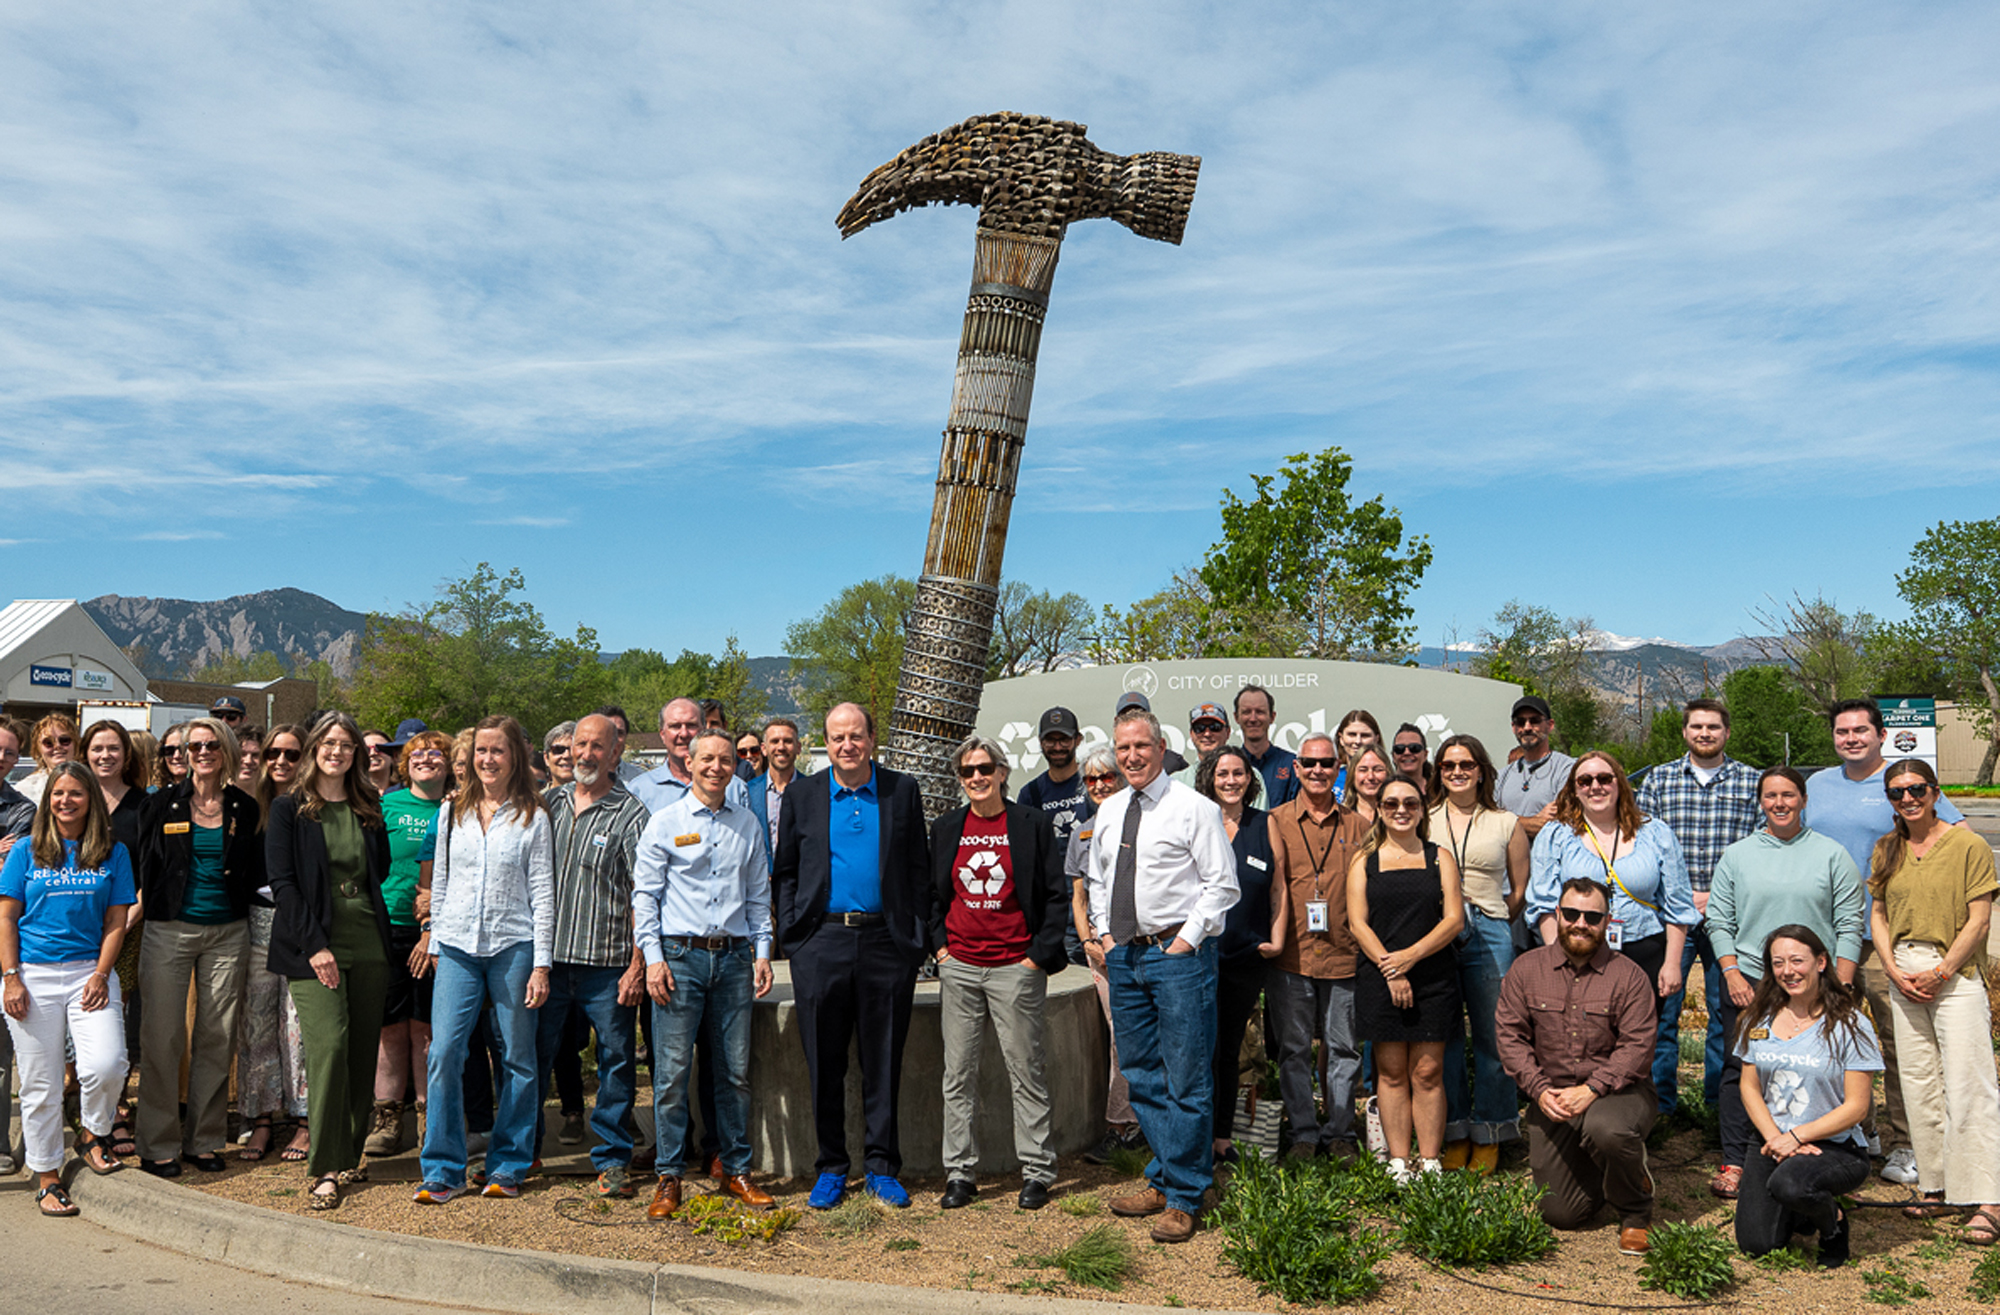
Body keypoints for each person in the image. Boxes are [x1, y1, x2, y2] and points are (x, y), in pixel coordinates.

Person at [1087, 707, 1237, 1244]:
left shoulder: (1194, 808)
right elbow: (1099, 880)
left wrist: (1186, 940)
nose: (1131, 757)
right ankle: (1167, 1175)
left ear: (1161, 748)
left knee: (1187, 1079)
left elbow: (1222, 884)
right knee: (1142, 1074)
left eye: (1141, 746)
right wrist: (1106, 934)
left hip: (1178, 958)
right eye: (1123, 748)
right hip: (1125, 956)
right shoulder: (1110, 810)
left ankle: (1184, 1196)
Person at [772, 702, 931, 1209]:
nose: (847, 745)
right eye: (837, 737)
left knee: (883, 1059)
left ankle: (882, 1167)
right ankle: (832, 1167)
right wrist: (794, 936)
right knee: (825, 1061)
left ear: (871, 738)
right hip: (821, 943)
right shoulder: (803, 795)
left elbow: (918, 869)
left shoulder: (901, 791)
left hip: (886, 943)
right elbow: (786, 871)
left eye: (856, 735)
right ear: (825, 742)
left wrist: (915, 937)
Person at [1807, 697, 1969, 1187]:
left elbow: (1955, 836)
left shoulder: (1903, 783)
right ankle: (1860, 1128)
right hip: (1827, 936)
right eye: (1842, 731)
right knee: (1834, 1038)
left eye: (1860, 730)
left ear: (1880, 735)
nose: (1851, 739)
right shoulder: (1817, 785)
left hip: (1888, 937)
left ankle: (1908, 1141)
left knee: (1900, 1043)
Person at [630, 726, 775, 1217]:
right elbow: (645, 897)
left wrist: (762, 953)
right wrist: (653, 959)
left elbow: (758, 896)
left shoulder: (747, 824)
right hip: (679, 960)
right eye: (707, 759)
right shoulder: (665, 822)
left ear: (736, 766)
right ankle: (669, 1175)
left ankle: (736, 1169)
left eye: (726, 760)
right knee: (672, 1074)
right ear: (689, 763)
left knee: (734, 1073)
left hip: (733, 960)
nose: (717, 767)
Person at [1703, 767, 1863, 1200]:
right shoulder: (1738, 855)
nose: (1779, 803)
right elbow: (1719, 919)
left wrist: (1842, 985)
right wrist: (1731, 972)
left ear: (1804, 800)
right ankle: (1736, 1158)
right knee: (1741, 1069)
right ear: (1761, 802)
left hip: (1814, 982)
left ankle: (1825, 1152)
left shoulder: (1831, 855)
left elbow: (1850, 922)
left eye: (1788, 795)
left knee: (1821, 1066)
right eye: (1770, 796)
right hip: (1752, 981)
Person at [414, 716, 554, 1204]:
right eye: (481, 751)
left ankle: (509, 1164)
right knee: (444, 1052)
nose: (488, 759)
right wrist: (434, 942)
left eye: (498, 751)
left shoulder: (534, 816)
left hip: (514, 945)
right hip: (456, 946)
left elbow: (543, 892)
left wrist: (542, 964)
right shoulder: (452, 812)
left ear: (515, 757)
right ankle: (443, 1167)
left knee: (518, 1057)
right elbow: (441, 882)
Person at [928, 734, 1068, 1210]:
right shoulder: (947, 827)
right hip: (961, 966)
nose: (977, 778)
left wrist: (1036, 957)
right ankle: (959, 1173)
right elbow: (933, 895)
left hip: (1015, 966)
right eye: (967, 771)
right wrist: (941, 950)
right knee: (957, 1074)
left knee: (1026, 1070)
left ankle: (1037, 1171)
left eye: (985, 769)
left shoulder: (1031, 824)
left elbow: (1055, 894)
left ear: (1002, 773)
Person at [1865, 758, 2000, 1239]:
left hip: (1954, 972)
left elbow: (1979, 919)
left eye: (1917, 789)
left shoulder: (1968, 845)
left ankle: (1987, 1197)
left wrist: (1941, 972)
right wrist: (1891, 967)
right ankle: (1937, 1186)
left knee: (1969, 1083)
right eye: (1897, 792)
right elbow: (1878, 914)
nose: (1908, 798)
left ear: (1935, 791)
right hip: (1902, 970)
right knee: (1919, 1082)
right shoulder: (1887, 848)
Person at [264, 715, 394, 1210]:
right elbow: (283, 884)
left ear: (356, 753)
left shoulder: (368, 805)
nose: (336, 751)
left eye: (346, 744)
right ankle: (325, 1167)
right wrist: (317, 946)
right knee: (330, 1048)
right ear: (314, 747)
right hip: (311, 943)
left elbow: (380, 868)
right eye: (328, 743)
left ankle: (351, 1151)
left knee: (361, 1051)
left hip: (369, 939)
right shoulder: (289, 808)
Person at [1495, 877, 1659, 1256]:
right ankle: (1615, 1170)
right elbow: (1510, 1038)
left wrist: (1592, 1090)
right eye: (1571, 914)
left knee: (1607, 1129)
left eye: (1592, 917)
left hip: (1619, 1092)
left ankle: (1635, 1210)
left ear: (1607, 921)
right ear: (1557, 914)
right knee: (1562, 1214)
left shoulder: (1629, 976)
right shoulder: (1526, 969)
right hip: (1554, 1097)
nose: (1580, 923)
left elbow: (1637, 1047)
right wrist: (1538, 1090)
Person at [1, 762, 136, 1215]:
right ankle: (47, 1176)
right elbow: (6, 916)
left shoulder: (112, 852)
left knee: (108, 1064)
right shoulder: (27, 850)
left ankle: (93, 1133)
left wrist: (100, 974)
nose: (66, 801)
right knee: (40, 1083)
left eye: (76, 793)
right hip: (32, 975)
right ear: (48, 800)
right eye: (58, 793)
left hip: (89, 972)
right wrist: (11, 977)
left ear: (90, 799)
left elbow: (116, 920)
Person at [134, 717, 261, 1177]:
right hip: (169, 929)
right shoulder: (160, 805)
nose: (202, 753)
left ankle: (204, 1140)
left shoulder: (245, 808)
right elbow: (144, 868)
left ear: (226, 752)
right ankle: (158, 1144)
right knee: (162, 1036)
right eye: (193, 747)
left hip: (228, 932)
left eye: (211, 745)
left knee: (216, 1036)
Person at [536, 714, 651, 1200]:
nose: (584, 754)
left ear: (615, 753)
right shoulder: (547, 805)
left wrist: (638, 965)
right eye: (578, 744)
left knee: (616, 1061)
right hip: (548, 962)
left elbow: (644, 895)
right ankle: (521, 1154)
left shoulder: (630, 813)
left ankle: (612, 1159)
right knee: (532, 1058)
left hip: (607, 965)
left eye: (596, 746)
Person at [1636, 699, 1763, 1122]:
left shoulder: (1751, 782)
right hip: (1671, 916)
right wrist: (1682, 894)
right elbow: (1642, 843)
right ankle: (1660, 1108)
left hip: (1730, 916)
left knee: (1727, 1014)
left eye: (1713, 727)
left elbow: (1761, 844)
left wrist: (1716, 894)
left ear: (1727, 732)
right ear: (1685, 732)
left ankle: (1718, 1107)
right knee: (1661, 1013)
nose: (1704, 733)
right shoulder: (1659, 780)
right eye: (1697, 727)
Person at [1731, 925, 1881, 1268]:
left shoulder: (1850, 1024)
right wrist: (1777, 1139)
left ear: (1821, 962)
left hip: (1833, 1145)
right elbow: (1749, 1087)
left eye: (1797, 960)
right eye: (1778, 963)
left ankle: (1832, 1224)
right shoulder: (1758, 1018)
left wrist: (1797, 1137)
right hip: (1772, 1140)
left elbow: (1857, 1107)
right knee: (1757, 1244)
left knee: (1791, 1185)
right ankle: (1798, 1210)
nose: (1788, 971)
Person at [1349, 772, 1463, 1182]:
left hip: (1433, 977)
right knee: (1392, 1073)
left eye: (1410, 803)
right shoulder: (1364, 861)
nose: (1401, 810)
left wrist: (1411, 957)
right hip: (1381, 977)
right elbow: (1358, 923)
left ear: (1422, 810)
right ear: (1379, 810)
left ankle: (1429, 1162)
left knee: (1428, 1073)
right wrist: (1392, 969)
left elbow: (1454, 919)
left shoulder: (1439, 858)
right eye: (1392, 803)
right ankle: (1399, 1161)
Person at [1526, 752, 1697, 1010]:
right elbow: (1543, 903)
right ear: (1574, 789)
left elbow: (1678, 904)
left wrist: (1672, 964)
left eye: (1604, 779)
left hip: (1645, 950)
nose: (1595, 786)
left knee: (1640, 1030)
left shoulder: (1656, 833)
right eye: (1585, 781)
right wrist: (1558, 957)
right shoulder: (1555, 835)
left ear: (1620, 783)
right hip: (1579, 951)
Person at [1268, 732, 1370, 1160]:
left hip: (1344, 953)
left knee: (1344, 1049)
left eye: (1326, 763)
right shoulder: (1275, 821)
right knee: (1293, 1050)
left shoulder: (1359, 826)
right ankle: (1304, 1134)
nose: (1317, 770)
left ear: (1338, 768)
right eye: (1309, 763)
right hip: (1291, 954)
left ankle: (1340, 1132)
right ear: (1296, 768)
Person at [1430, 734, 1528, 1174]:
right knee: (1445, 1038)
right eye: (1448, 765)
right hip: (1437, 932)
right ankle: (1454, 1132)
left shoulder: (1505, 822)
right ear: (1439, 772)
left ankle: (1491, 1130)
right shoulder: (1424, 818)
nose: (1457, 772)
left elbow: (1519, 889)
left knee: (1494, 1036)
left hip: (1489, 931)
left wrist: (1490, 919)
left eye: (1466, 765)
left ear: (1481, 771)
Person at [366, 728, 452, 1159]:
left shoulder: (457, 808)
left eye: (436, 753)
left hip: (439, 932)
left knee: (426, 1028)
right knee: (389, 1028)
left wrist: (431, 928)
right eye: (417, 753)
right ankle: (387, 1117)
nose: (425, 759)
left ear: (450, 764)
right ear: (405, 764)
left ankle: (427, 1116)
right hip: (387, 926)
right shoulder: (386, 805)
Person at [1195, 745, 1283, 1164]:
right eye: (1222, 773)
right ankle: (1194, 1137)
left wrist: (1276, 940)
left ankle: (1221, 1138)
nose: (1230, 781)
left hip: (1245, 956)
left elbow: (1279, 887)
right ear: (1210, 779)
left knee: (1230, 1050)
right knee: (1200, 1050)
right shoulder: (1197, 820)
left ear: (1250, 780)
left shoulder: (1265, 824)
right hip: (1198, 954)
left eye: (1238, 773)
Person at [240, 722, 312, 1163]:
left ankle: (305, 1119)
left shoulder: (314, 806)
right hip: (257, 922)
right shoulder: (250, 807)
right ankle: (262, 1117)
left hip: (301, 924)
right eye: (273, 753)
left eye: (291, 754)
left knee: (297, 1025)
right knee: (258, 1024)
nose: (280, 762)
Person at [1068, 746, 1144, 1163]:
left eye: (1106, 776)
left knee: (1141, 1034)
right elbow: (1078, 898)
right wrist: (1088, 942)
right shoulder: (1081, 833)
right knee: (1119, 1036)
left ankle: (1140, 1123)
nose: (1099, 785)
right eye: (1091, 779)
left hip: (1144, 945)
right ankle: (1120, 1125)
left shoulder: (1144, 819)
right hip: (1101, 952)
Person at [632, 698, 750, 813]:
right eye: (675, 726)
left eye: (691, 725)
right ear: (662, 734)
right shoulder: (639, 790)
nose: (684, 734)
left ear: (703, 730)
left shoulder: (735, 789)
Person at [1014, 707, 1092, 855]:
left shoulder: (1095, 783)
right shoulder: (1029, 794)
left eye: (1064, 740)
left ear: (1078, 740)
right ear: (1040, 742)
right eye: (1050, 740)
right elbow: (1024, 847)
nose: (1057, 747)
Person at [1496, 696, 1575, 842]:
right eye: (1520, 722)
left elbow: (1560, 825)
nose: (1527, 727)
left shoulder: (1567, 769)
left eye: (1535, 721)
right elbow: (1488, 821)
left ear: (1550, 725)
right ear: (1513, 727)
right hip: (1507, 857)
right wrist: (1531, 821)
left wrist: (1503, 820)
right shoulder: (1501, 776)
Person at [745, 717, 805, 862]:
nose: (781, 747)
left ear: (798, 748)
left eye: (788, 741)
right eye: (775, 741)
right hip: (760, 873)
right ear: (764, 749)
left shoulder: (813, 791)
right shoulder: (748, 791)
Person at [1234, 684, 1298, 809]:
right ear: (1236, 717)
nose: (1253, 718)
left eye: (1260, 712)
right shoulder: (1229, 766)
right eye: (1246, 712)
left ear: (1272, 717)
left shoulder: (1291, 764)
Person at [1114, 692, 1188, 774]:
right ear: (1116, 721)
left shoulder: (1173, 763)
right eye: (1125, 716)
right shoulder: (1106, 763)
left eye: (1140, 715)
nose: (1133, 758)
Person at [17, 712, 78, 806]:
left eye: (64, 740)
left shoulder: (92, 783)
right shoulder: (25, 790)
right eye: (48, 742)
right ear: (38, 749)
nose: (57, 746)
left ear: (76, 744)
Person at [1170, 703, 1233, 786]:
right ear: (1191, 734)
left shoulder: (1244, 777)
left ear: (1228, 732)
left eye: (1215, 727)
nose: (1207, 734)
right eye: (1199, 728)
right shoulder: (1177, 782)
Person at [1332, 709, 1382, 800]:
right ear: (1341, 739)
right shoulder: (1332, 779)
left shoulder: (1384, 779)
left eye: (1365, 735)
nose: (1358, 741)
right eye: (1352, 735)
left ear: (1376, 739)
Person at [1341, 742, 1391, 828]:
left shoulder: (1397, 815)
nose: (1370, 776)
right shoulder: (1340, 817)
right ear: (1352, 775)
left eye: (1378, 770)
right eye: (1363, 770)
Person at [1390, 724, 1431, 797]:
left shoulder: (1438, 791)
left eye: (1414, 748)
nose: (1407, 753)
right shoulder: (1385, 791)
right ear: (1393, 756)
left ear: (1425, 755)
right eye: (1400, 748)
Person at [541, 722, 576, 792]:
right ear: (546, 758)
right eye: (558, 750)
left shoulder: (598, 797)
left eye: (574, 750)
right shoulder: (536, 799)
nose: (567, 755)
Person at [156, 722, 189, 789]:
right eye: (169, 750)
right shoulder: (154, 792)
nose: (176, 756)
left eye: (183, 749)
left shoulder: (207, 793)